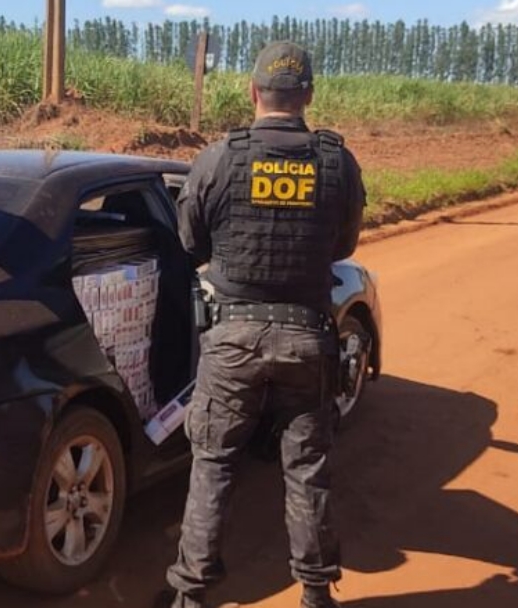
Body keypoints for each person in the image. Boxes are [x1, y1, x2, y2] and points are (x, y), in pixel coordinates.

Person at [157, 41, 365, 608]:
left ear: (253, 93)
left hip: (232, 341)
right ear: (309, 97)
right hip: (307, 337)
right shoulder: (336, 161)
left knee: (213, 466)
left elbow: (190, 241)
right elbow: (343, 245)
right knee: (307, 467)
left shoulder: (221, 157)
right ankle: (317, 593)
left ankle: (192, 598)